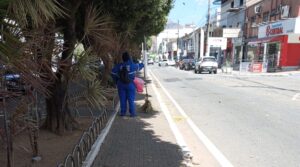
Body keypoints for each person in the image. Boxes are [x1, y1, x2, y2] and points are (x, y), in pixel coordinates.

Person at [111, 52, 144, 117]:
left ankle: (123, 112)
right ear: (129, 58)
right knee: (131, 99)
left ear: (122, 58)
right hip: (130, 84)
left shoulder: (119, 66)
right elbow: (139, 66)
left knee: (122, 99)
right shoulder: (132, 65)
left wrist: (116, 80)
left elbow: (112, 72)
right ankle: (132, 113)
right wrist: (143, 64)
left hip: (121, 84)